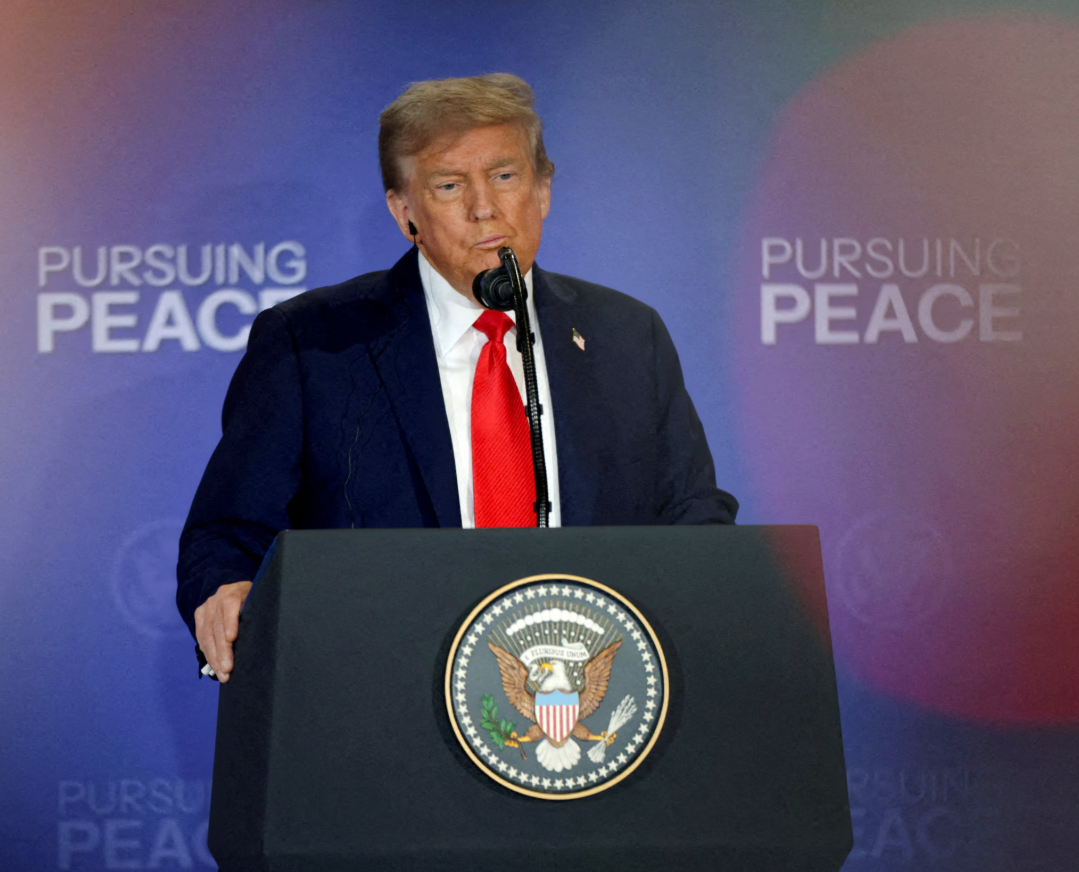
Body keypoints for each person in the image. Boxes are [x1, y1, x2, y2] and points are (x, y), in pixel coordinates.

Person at [178, 73, 736, 681]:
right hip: (381, 690)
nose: (483, 207)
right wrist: (228, 589)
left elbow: (692, 514)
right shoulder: (312, 344)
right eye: (449, 185)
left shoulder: (626, 335)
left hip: (589, 693)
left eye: (505, 176)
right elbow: (228, 531)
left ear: (543, 190)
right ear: (405, 213)